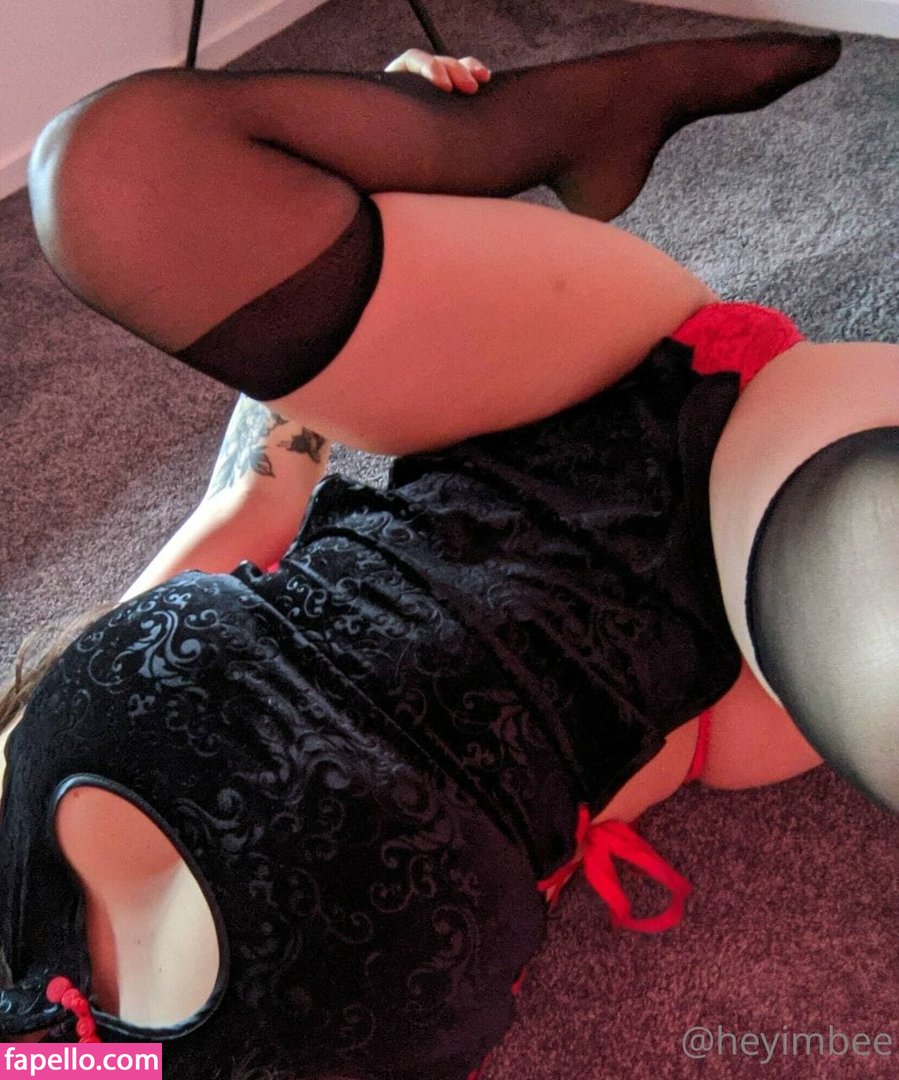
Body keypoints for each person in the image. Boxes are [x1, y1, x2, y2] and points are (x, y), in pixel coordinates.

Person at [2, 30, 896, 1080]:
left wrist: (344, 223)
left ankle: (513, 137)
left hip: (534, 393)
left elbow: (252, 500)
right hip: (720, 616)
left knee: (111, 175)